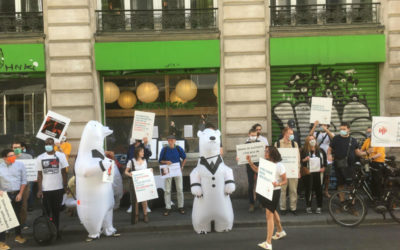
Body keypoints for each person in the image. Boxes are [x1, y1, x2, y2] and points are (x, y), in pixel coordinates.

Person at [247, 146, 287, 250]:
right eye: (265, 151)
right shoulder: (267, 164)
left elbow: (285, 181)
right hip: (266, 191)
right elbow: (257, 170)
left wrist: (277, 184)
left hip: (274, 192)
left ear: (272, 153)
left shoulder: (279, 166)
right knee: (273, 212)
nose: (265, 153)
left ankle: (268, 243)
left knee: (269, 216)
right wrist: (250, 162)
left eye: (266, 151)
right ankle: (280, 231)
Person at [37, 138, 69, 237]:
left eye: (50, 143)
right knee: (46, 212)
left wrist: (65, 186)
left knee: (56, 212)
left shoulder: (60, 156)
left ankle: (56, 231)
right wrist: (39, 190)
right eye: (46, 144)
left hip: (58, 188)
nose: (48, 145)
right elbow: (39, 175)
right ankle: (48, 231)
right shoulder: (40, 158)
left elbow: (64, 172)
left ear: (53, 144)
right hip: (46, 190)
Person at [327, 122, 362, 201]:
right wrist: (329, 155)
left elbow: (357, 152)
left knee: (351, 185)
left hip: (350, 166)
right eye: (341, 129)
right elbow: (329, 149)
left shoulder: (353, 140)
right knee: (340, 184)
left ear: (348, 129)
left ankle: (351, 201)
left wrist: (367, 153)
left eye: (344, 129)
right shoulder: (336, 138)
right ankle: (342, 201)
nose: (342, 130)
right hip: (339, 165)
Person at [0, 149, 27, 249]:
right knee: (2, 218)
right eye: (10, 155)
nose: (13, 157)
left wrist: (20, 193)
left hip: (16, 193)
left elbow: (24, 180)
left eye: (13, 155)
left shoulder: (20, 165)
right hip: (4, 196)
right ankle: (1, 242)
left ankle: (18, 236)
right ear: (4, 158)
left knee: (17, 216)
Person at [159, 135, 187, 216]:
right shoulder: (164, 149)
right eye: (169, 140)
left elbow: (184, 158)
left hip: (177, 170)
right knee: (167, 190)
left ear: (175, 140)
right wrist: (166, 162)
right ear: (167, 141)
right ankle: (168, 207)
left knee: (180, 189)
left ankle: (181, 206)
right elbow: (160, 160)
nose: (170, 141)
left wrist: (182, 166)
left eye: (172, 140)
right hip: (167, 170)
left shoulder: (178, 148)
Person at [274, 127, 300, 215]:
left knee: (293, 190)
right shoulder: (277, 144)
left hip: (293, 171)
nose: (292, 135)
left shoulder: (294, 144)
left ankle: (293, 208)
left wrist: (298, 170)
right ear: (285, 133)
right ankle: (283, 208)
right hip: (282, 172)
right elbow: (274, 158)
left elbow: (298, 158)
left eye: (293, 133)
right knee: (282, 190)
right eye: (290, 133)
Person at [300, 135, 327, 214]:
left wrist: (324, 168)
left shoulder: (321, 150)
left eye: (313, 139)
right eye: (310, 140)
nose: (312, 141)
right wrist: (305, 159)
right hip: (308, 173)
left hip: (319, 173)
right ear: (307, 142)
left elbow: (325, 161)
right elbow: (300, 161)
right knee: (308, 190)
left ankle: (319, 206)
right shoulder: (304, 151)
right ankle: (308, 206)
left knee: (319, 190)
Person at [309, 121, 334, 198]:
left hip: (328, 157)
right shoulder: (316, 133)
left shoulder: (331, 133)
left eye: (325, 124)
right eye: (322, 124)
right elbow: (310, 136)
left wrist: (326, 130)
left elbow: (333, 139)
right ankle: (316, 191)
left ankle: (326, 191)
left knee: (327, 176)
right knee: (317, 175)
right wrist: (314, 126)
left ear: (328, 125)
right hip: (318, 157)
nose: (323, 126)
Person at [126, 137, 151, 213]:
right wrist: (128, 169)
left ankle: (146, 207)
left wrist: (145, 145)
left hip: (142, 169)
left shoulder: (145, 145)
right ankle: (132, 205)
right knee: (132, 191)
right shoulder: (131, 146)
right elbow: (128, 156)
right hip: (133, 169)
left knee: (144, 189)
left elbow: (149, 154)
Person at [125, 147, 150, 223]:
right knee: (136, 200)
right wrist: (130, 175)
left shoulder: (145, 161)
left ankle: (145, 215)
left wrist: (150, 171)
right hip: (135, 182)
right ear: (137, 152)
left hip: (143, 182)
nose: (143, 153)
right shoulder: (131, 161)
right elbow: (126, 171)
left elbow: (145, 171)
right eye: (141, 152)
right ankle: (136, 215)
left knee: (144, 200)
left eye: (143, 152)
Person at [12, 142, 33, 230]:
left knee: (24, 204)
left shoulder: (28, 157)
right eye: (14, 147)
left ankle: (23, 223)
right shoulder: (9, 157)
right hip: (13, 185)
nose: (16, 149)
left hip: (25, 185)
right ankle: (13, 224)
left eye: (18, 147)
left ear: (21, 148)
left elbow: (32, 168)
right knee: (13, 205)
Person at [360, 127, 385, 199]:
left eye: (370, 132)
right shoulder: (367, 140)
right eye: (367, 132)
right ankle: (373, 196)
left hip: (377, 163)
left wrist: (370, 158)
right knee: (371, 179)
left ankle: (379, 197)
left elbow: (379, 153)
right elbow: (362, 150)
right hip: (369, 162)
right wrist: (360, 154)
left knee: (377, 180)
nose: (368, 133)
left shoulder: (379, 141)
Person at [241, 128, 260, 212]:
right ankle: (251, 204)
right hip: (249, 167)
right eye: (252, 135)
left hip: (259, 166)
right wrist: (239, 158)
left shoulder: (260, 144)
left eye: (255, 135)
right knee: (251, 185)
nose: (253, 137)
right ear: (249, 135)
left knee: (260, 185)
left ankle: (260, 202)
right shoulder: (246, 144)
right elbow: (242, 156)